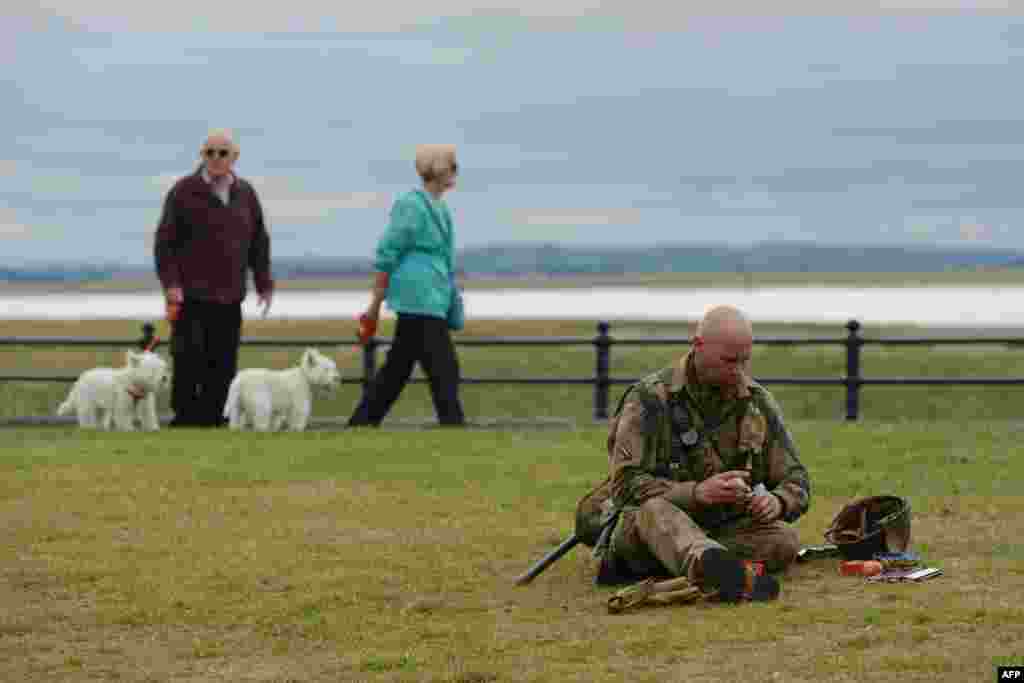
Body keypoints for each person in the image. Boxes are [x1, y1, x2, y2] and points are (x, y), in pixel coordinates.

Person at [591, 305, 810, 601]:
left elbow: (796, 479)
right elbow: (624, 486)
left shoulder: (757, 402)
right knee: (654, 510)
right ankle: (717, 570)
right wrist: (697, 493)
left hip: (719, 529)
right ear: (698, 345)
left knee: (783, 539)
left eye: (744, 361)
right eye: (729, 360)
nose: (738, 371)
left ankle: (711, 567)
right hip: (648, 529)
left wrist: (777, 501)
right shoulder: (648, 399)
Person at [154, 129, 273, 427]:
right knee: (188, 359)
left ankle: (215, 418)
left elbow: (258, 240)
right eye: (210, 153)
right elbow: (164, 243)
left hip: (230, 295)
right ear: (202, 156)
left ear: (235, 157)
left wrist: (263, 283)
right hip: (190, 295)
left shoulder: (246, 193)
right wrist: (171, 286)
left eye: (222, 153)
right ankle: (185, 419)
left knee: (223, 361)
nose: (216, 158)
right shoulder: (183, 191)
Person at [348, 144, 465, 427]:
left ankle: (361, 423)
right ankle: (453, 425)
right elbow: (388, 251)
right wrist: (375, 303)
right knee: (443, 366)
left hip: (433, 296)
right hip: (417, 297)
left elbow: (446, 258)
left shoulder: (441, 209)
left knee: (398, 368)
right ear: (438, 169)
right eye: (452, 165)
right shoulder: (411, 205)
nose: (456, 171)